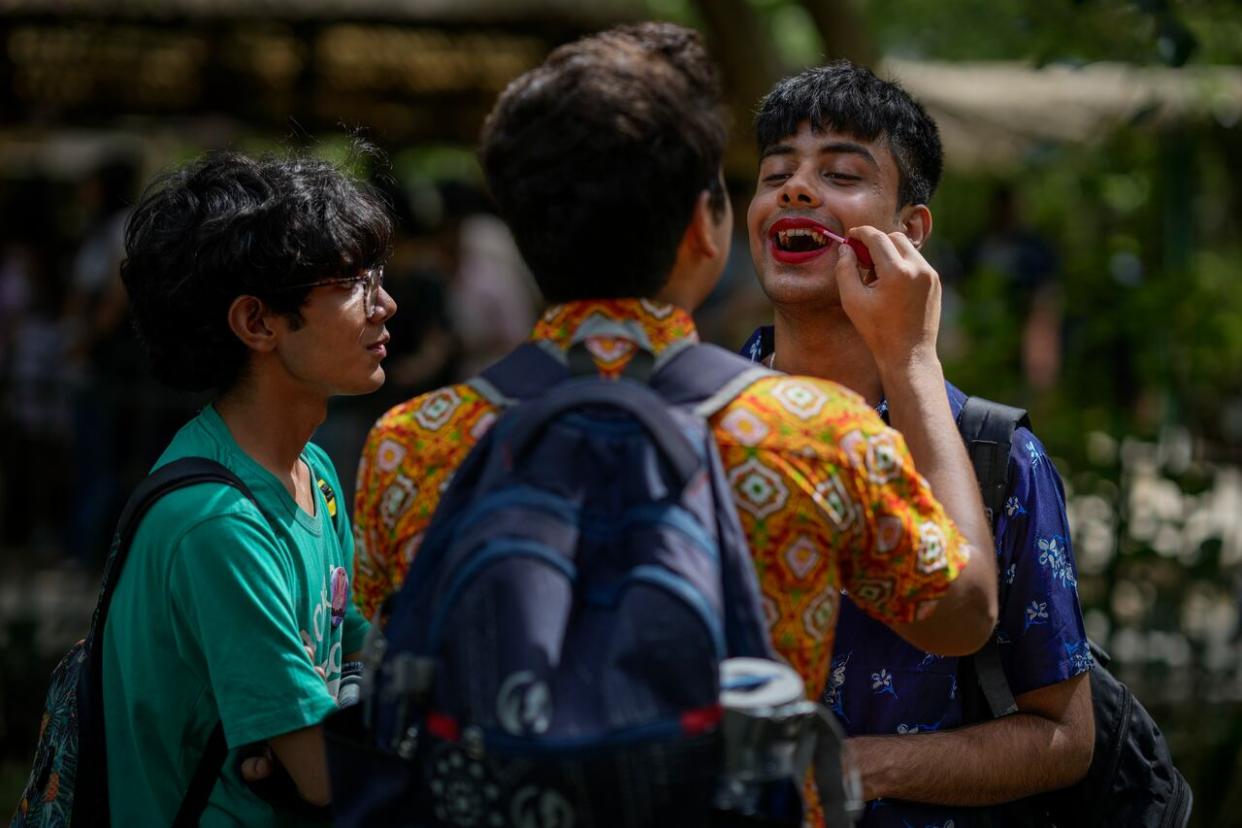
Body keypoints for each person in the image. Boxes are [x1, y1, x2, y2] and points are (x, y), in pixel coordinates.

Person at [353, 22, 997, 825]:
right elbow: (964, 614)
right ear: (707, 227)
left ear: (523, 230)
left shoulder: (412, 442)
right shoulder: (813, 435)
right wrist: (913, 362)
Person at [739, 62, 1094, 827]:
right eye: (776, 174)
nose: (796, 190)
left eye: (839, 173)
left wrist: (862, 766)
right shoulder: (689, 427)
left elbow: (1065, 736)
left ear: (910, 232)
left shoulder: (999, 456)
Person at [106, 150, 395, 824]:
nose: (385, 303)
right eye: (354, 282)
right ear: (257, 323)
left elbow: (354, 643)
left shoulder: (311, 470)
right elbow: (329, 777)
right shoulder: (219, 524)